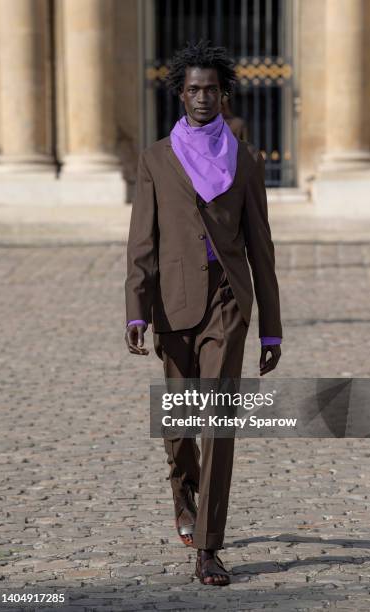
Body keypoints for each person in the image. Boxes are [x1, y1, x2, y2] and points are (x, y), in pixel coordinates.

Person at [124, 40, 282, 586]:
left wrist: (272, 328)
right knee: (180, 423)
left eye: (211, 89)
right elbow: (142, 241)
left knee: (216, 422)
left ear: (224, 94)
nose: (201, 97)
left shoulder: (245, 159)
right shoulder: (155, 159)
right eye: (192, 89)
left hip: (226, 301)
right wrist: (135, 311)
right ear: (180, 94)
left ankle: (209, 548)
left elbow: (261, 244)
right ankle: (181, 490)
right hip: (171, 301)